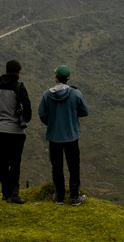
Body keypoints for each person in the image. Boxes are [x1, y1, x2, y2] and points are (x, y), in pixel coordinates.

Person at [38, 64, 89, 206]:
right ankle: (74, 197)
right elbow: (84, 111)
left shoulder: (47, 94)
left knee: (57, 167)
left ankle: (59, 196)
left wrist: (52, 123)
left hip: (54, 137)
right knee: (74, 166)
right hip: (71, 136)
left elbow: (42, 114)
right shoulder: (75, 93)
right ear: (68, 78)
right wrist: (72, 116)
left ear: (56, 78)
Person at [0, 59, 32, 204]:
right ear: (18, 73)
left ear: (5, 71)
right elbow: (28, 112)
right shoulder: (19, 87)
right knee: (15, 162)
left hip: (1, 129)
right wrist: (19, 116)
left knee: (3, 161)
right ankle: (14, 195)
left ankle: (5, 192)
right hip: (16, 131)